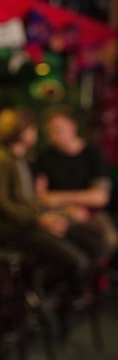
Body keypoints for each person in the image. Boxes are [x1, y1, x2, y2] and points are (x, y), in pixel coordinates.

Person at [0, 107, 104, 299]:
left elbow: (32, 199)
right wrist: (38, 220)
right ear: (20, 131)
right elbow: (0, 204)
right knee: (77, 260)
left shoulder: (20, 159)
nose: (36, 134)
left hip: (30, 223)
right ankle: (37, 291)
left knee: (94, 246)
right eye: (32, 129)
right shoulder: (0, 160)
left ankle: (53, 298)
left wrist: (51, 214)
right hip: (16, 229)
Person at [35, 105, 118, 261]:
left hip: (91, 213)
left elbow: (100, 196)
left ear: (73, 126)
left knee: (110, 239)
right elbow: (41, 196)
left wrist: (61, 197)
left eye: (59, 129)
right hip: (59, 212)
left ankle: (96, 280)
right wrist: (67, 207)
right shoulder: (45, 157)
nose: (55, 135)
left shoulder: (93, 154)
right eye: (50, 131)